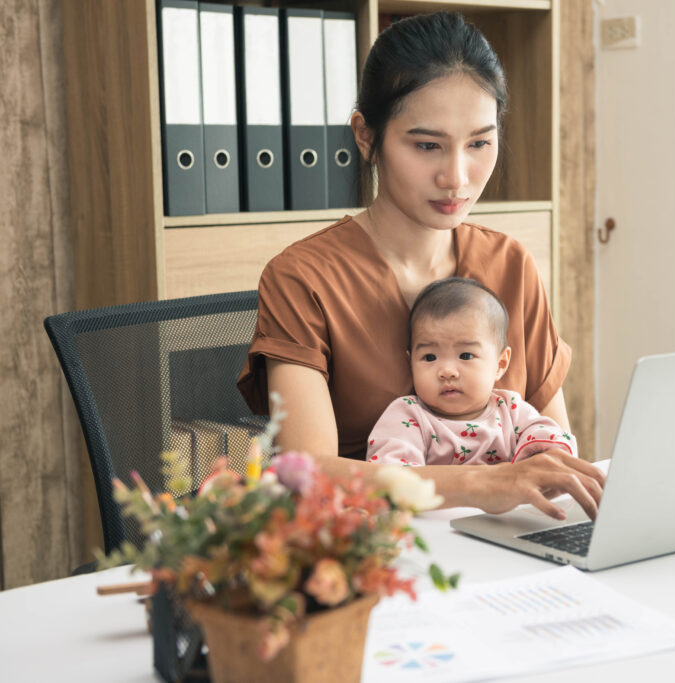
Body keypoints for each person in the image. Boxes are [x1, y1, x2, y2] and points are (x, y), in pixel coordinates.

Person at [237, 11, 603, 521]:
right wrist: (481, 484)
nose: (456, 177)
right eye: (427, 145)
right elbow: (308, 472)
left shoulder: (510, 265)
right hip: (374, 558)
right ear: (366, 137)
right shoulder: (302, 278)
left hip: (506, 547)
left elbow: (555, 449)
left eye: (479, 142)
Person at [367, 277, 577, 467]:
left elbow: (552, 439)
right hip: (435, 509)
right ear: (410, 363)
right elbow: (390, 475)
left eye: (466, 356)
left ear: (500, 364)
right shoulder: (407, 416)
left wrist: (542, 458)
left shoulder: (511, 410)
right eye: (430, 357)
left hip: (509, 509)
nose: (447, 371)